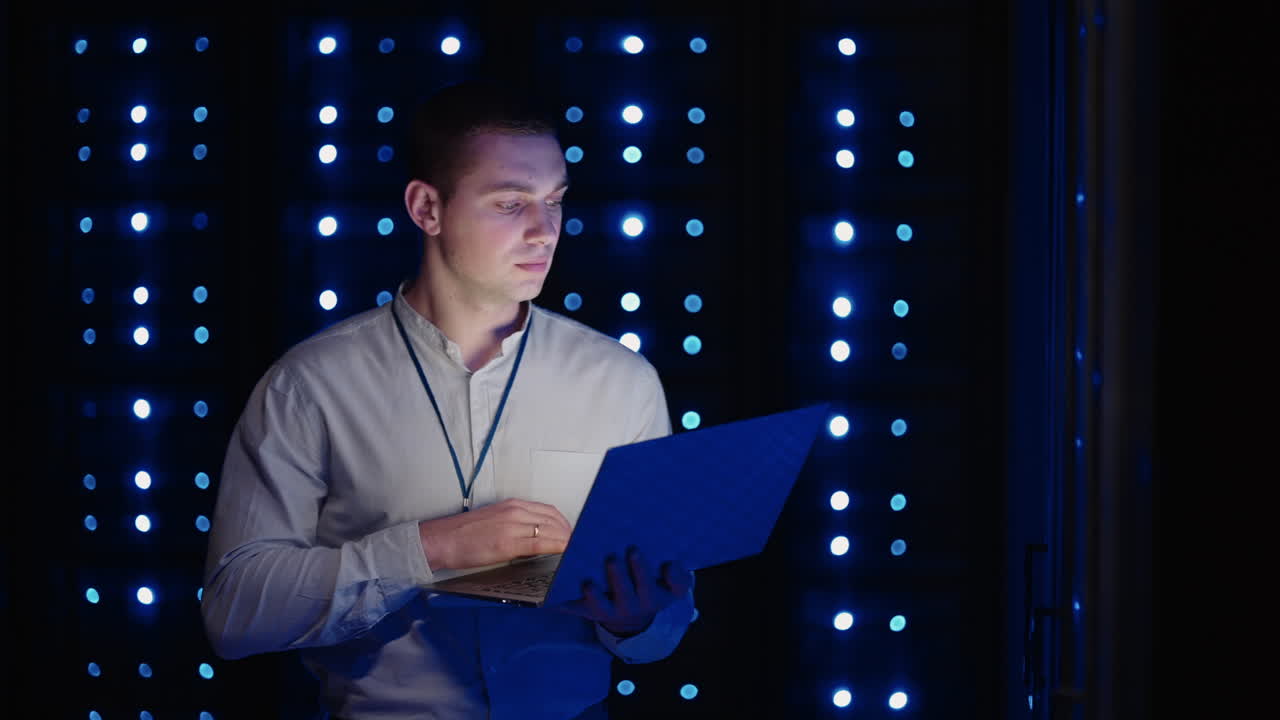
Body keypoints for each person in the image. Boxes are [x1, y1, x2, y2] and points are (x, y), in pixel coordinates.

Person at [199, 80, 698, 719]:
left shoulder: (622, 381)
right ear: (427, 208)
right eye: (511, 203)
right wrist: (430, 550)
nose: (545, 231)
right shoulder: (311, 384)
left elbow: (665, 628)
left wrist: (636, 620)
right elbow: (235, 615)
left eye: (555, 201)